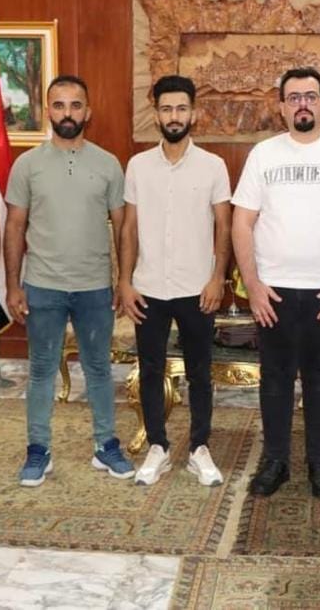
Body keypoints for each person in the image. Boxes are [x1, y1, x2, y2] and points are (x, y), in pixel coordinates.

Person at [231, 67, 320, 499]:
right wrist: (253, 285)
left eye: (310, 96)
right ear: (282, 107)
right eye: (294, 98)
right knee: (274, 379)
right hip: (272, 291)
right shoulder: (263, 155)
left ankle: (319, 464)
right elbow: (241, 222)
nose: (303, 104)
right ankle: (275, 461)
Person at [4, 74, 134, 486]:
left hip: (95, 287)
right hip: (43, 285)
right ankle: (38, 450)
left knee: (99, 368)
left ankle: (106, 445)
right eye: (59, 105)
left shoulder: (108, 163)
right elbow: (14, 227)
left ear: (87, 112)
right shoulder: (27, 165)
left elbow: (123, 228)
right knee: (42, 370)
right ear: (48, 111)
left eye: (75, 105)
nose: (67, 113)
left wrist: (124, 280)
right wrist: (13, 285)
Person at [119, 75, 231, 487]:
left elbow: (224, 226)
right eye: (166, 109)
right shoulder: (138, 166)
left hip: (197, 288)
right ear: (157, 115)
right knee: (151, 369)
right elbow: (129, 228)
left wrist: (217, 278)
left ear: (193, 114)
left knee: (201, 371)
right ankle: (158, 447)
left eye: (181, 108)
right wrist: (125, 281)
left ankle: (200, 447)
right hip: (148, 286)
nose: (174, 116)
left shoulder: (213, 166)